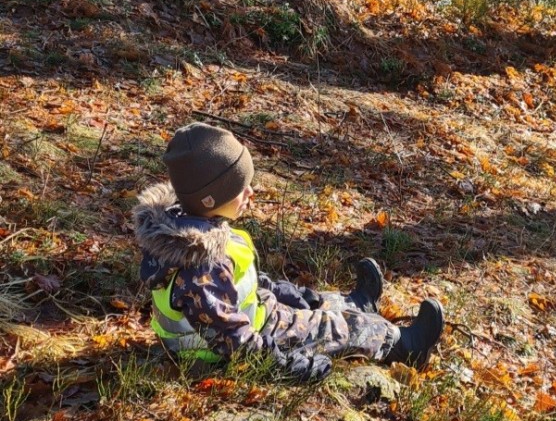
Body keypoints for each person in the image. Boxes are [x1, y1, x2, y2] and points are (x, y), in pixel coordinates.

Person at [133, 122, 444, 382]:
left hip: (250, 316)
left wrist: (282, 291)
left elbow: (239, 285)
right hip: (230, 348)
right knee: (338, 329)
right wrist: (291, 368)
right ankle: (403, 345)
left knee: (305, 300)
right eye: (240, 188)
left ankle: (353, 303)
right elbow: (235, 343)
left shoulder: (191, 227)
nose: (251, 192)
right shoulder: (200, 269)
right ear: (211, 199)